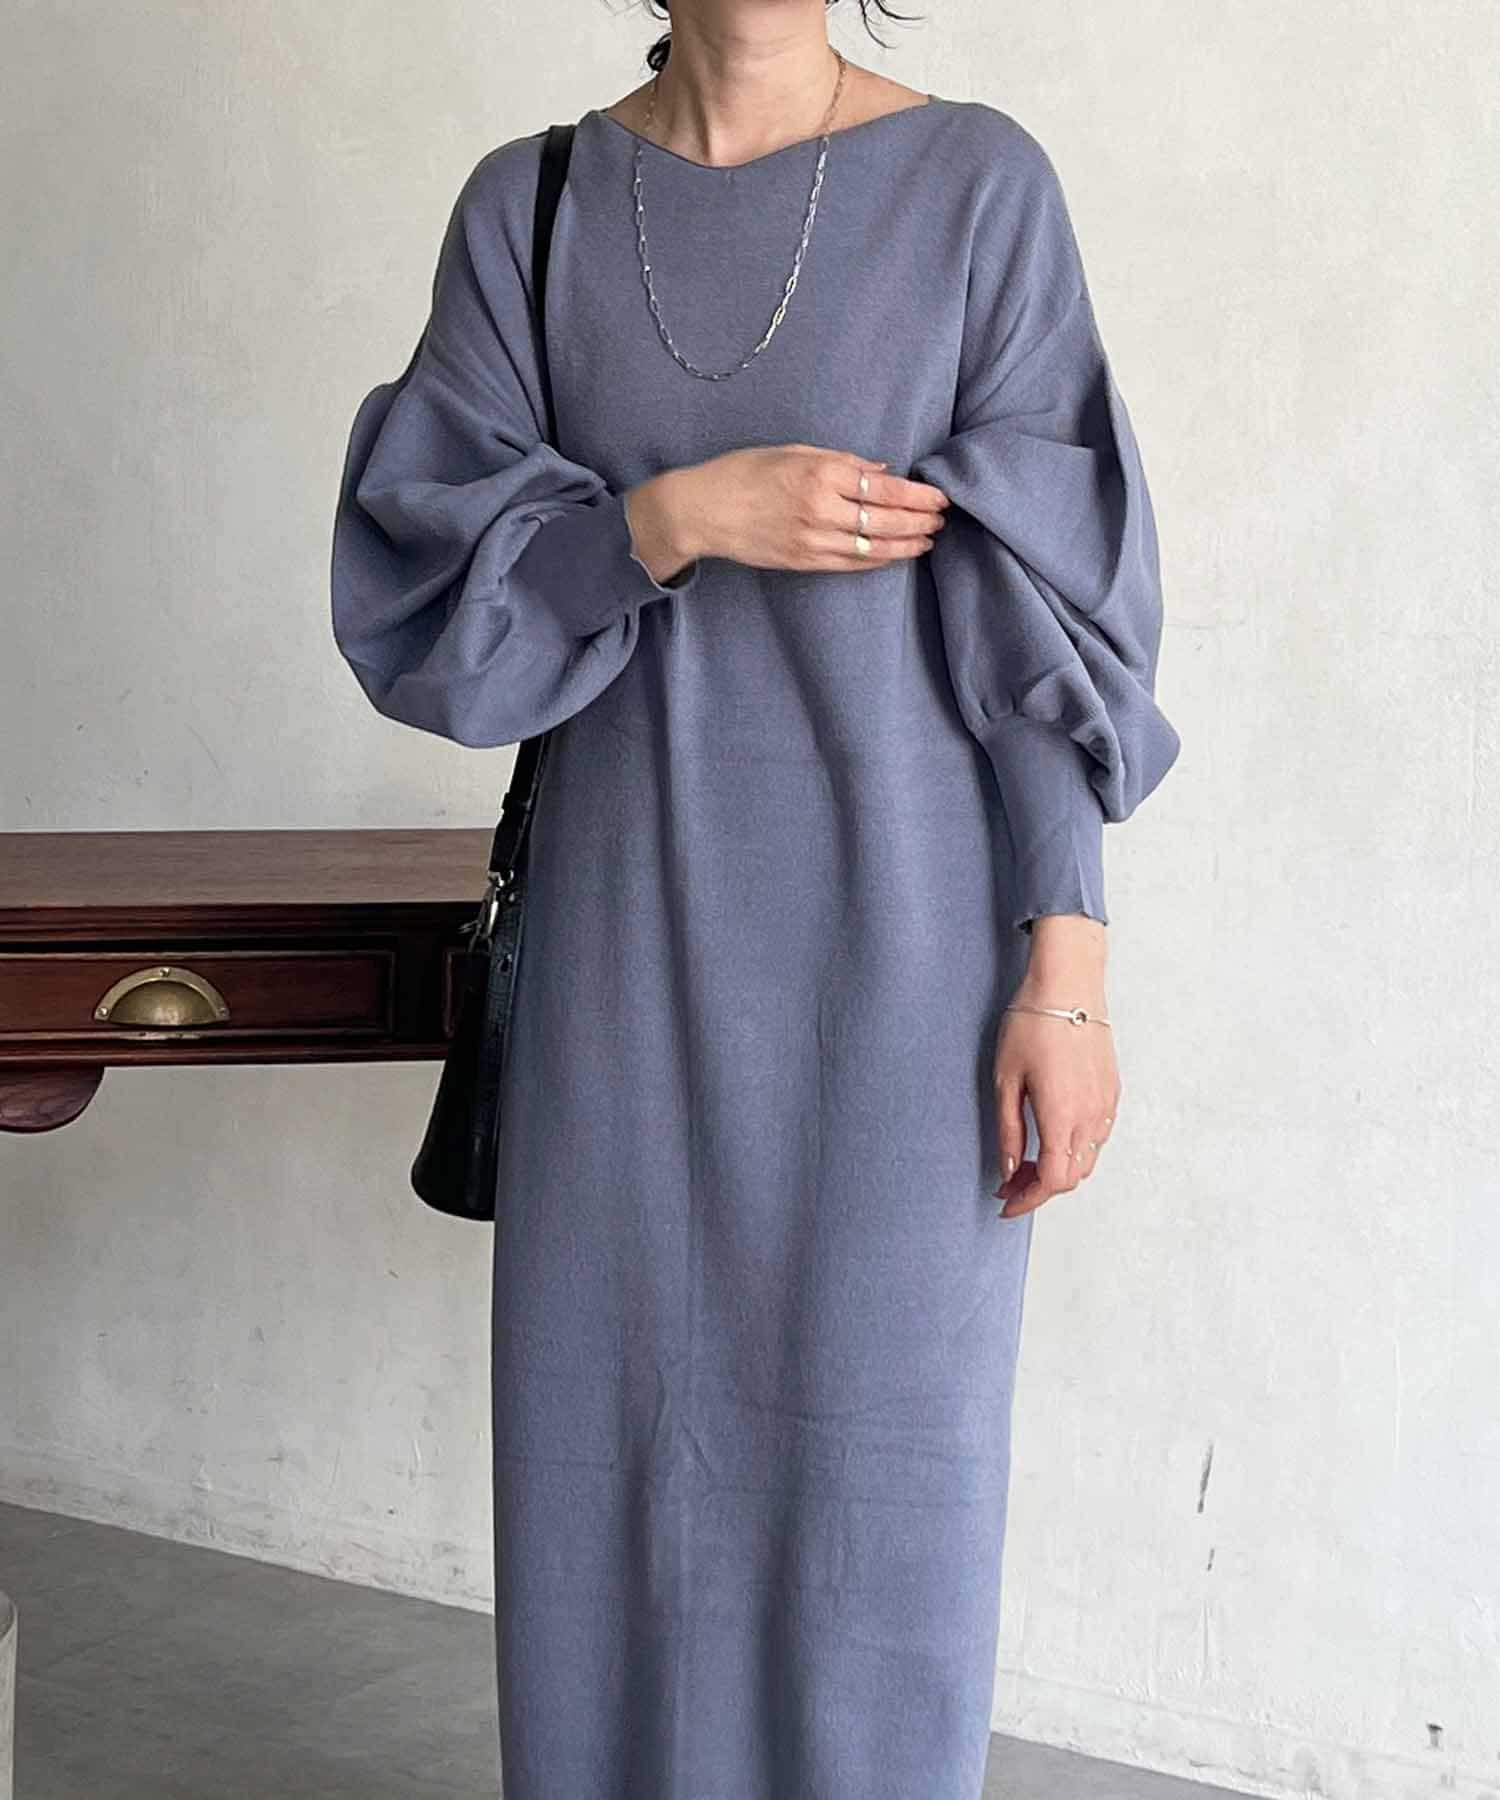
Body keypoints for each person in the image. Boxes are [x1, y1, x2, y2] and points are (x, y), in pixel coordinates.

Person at [329, 2, 1181, 1794]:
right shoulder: (533, 209)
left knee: (890, 1497)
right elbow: (431, 593)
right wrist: (673, 518)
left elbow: (1044, 621)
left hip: (916, 957)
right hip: (624, 947)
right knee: (611, 1478)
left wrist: (1069, 969)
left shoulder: (976, 188)